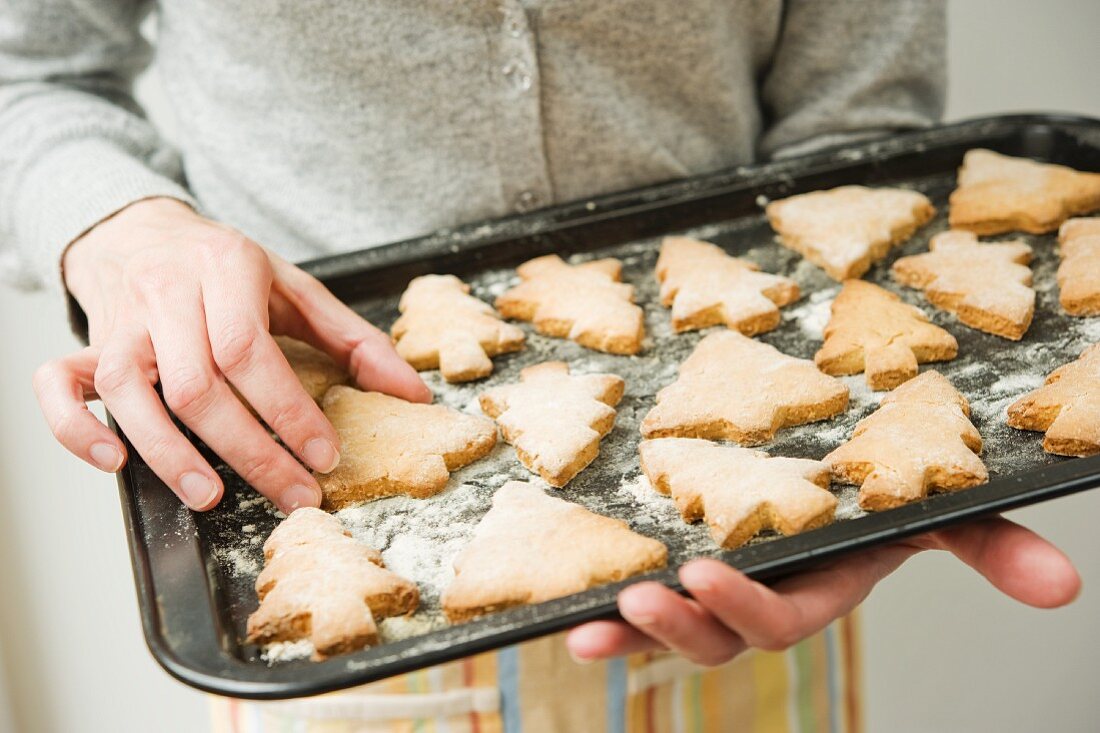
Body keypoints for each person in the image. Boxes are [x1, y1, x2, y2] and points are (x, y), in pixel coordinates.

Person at [0, 1, 1081, 730]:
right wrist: (114, 226)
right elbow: (28, 74)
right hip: (306, 503)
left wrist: (858, 496)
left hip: (730, 576)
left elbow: (855, 134)